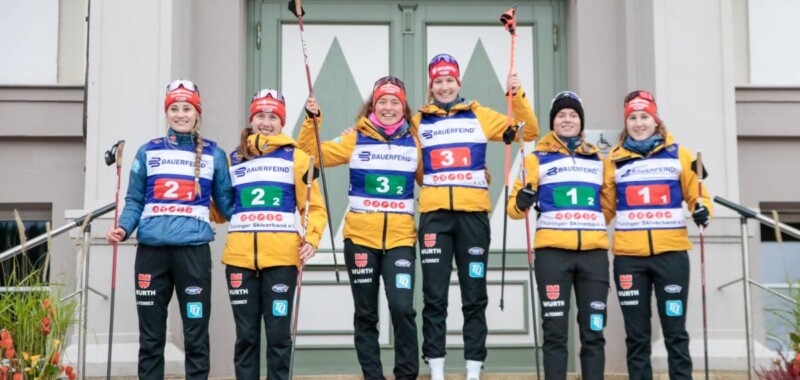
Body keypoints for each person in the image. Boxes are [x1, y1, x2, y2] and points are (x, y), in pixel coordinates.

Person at [413, 53, 540, 380]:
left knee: (474, 295)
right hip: (435, 218)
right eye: (438, 81)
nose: (444, 87)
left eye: (449, 80)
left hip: (473, 218)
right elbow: (412, 168)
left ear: (459, 83)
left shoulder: (479, 115)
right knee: (434, 296)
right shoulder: (419, 121)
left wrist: (517, 95)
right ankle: (436, 369)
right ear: (431, 86)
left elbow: (527, 131)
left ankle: (473, 369)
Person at [106, 79, 233, 380]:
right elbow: (135, 200)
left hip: (193, 254)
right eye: (174, 108)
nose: (180, 114)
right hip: (152, 253)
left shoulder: (215, 155)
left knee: (196, 336)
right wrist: (122, 229)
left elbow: (229, 207)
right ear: (167, 113)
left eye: (186, 108)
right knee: (151, 338)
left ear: (197, 113)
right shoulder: (147, 152)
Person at [297, 76, 420, 380]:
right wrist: (312, 119)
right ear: (372, 105)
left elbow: (431, 179)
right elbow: (310, 156)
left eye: (395, 102)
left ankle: (407, 375)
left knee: (403, 308)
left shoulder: (414, 140)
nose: (388, 107)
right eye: (382, 101)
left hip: (401, 239)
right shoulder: (355, 138)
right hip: (360, 240)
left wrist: (473, 174)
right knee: (366, 314)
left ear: (403, 107)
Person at [601, 90, 712, 380]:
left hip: (671, 256)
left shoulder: (681, 154)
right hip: (629, 259)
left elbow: (699, 197)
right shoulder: (613, 160)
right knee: (636, 337)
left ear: (655, 120)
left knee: (676, 333)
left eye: (644, 117)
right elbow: (604, 210)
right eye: (633, 118)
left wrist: (703, 212)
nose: (639, 124)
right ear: (626, 123)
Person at [220, 89, 327, 380]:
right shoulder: (233, 158)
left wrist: (312, 239)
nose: (266, 122)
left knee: (279, 337)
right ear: (251, 119)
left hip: (281, 260)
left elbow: (314, 207)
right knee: (247, 337)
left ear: (281, 122)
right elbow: (221, 209)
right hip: (240, 260)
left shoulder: (298, 158)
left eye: (273, 117)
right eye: (260, 116)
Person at [507, 91, 609, 380]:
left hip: (594, 255)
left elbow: (610, 205)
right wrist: (524, 201)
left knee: (593, 331)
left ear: (581, 121)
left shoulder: (599, 159)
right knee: (554, 332)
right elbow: (514, 210)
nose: (567, 120)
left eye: (573, 115)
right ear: (553, 122)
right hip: (553, 254)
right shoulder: (536, 158)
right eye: (561, 115)